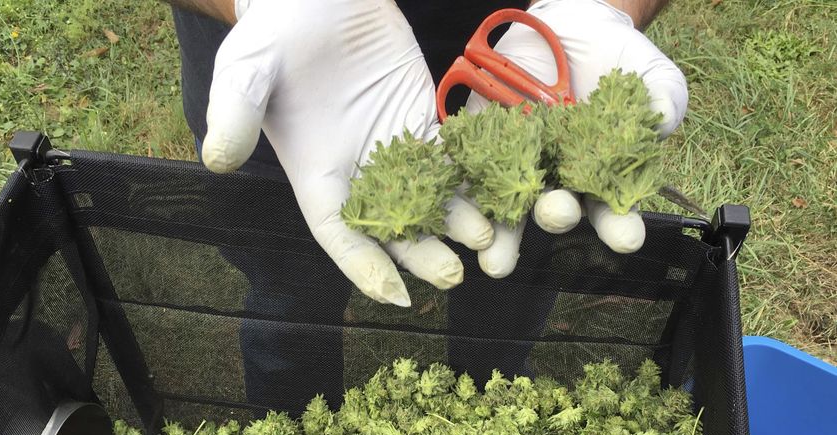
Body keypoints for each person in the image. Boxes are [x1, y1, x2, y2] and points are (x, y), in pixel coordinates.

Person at [166, 0, 688, 411]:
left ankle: (494, 402)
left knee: (509, 276)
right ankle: (287, 431)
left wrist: (600, 5)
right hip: (299, 67)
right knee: (289, 290)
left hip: (514, 42)